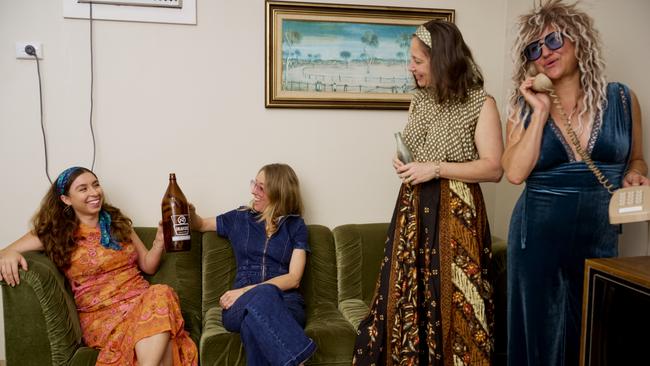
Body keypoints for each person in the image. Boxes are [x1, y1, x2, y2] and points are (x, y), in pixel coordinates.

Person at [503, 1, 649, 365]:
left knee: (596, 335)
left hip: (599, 238)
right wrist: (538, 112)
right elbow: (516, 172)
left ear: (579, 41)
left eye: (553, 40)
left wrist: (635, 172)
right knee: (538, 338)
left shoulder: (621, 98)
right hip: (536, 240)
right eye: (534, 49)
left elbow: (636, 158)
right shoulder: (521, 108)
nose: (545, 53)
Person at [353, 20, 504, 365]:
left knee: (456, 300)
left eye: (418, 61)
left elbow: (494, 167)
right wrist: (405, 160)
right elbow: (415, 148)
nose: (411, 67)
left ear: (441, 59)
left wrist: (435, 168)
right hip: (413, 208)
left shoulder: (482, 103)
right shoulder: (419, 100)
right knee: (407, 295)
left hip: (457, 214)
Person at [0, 166, 198, 366]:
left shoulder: (118, 223)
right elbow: (3, 252)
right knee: (165, 338)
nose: (94, 192)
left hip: (143, 302)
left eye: (95, 185)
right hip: (101, 315)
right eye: (83, 188)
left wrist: (158, 243)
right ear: (66, 199)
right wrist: (8, 254)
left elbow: (148, 266)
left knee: (161, 292)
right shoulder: (56, 232)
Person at [189, 163, 316, 366]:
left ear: (278, 192)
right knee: (264, 295)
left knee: (252, 323)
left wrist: (245, 291)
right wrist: (190, 213)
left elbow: (294, 278)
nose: (253, 191)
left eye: (261, 187)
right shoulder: (240, 218)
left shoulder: (296, 226)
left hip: (285, 303)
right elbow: (201, 224)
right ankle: (299, 357)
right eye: (254, 184)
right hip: (237, 307)